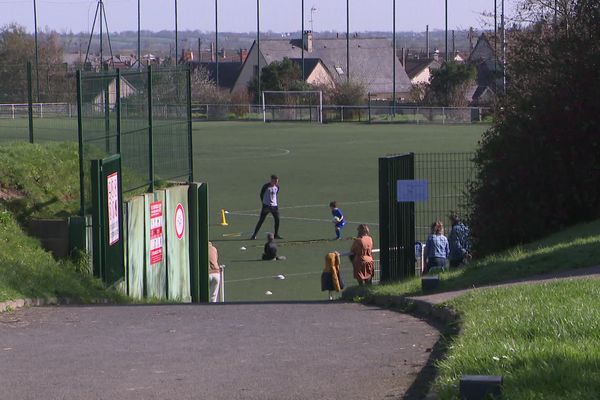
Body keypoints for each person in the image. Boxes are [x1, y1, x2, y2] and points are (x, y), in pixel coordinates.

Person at [251, 175, 281, 240]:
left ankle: (276, 234)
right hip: (266, 206)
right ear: (272, 180)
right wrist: (264, 203)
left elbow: (276, 194)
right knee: (261, 220)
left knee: (277, 220)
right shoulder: (266, 186)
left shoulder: (277, 187)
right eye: (275, 181)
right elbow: (261, 194)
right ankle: (254, 235)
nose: (276, 182)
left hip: (274, 206)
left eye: (277, 181)